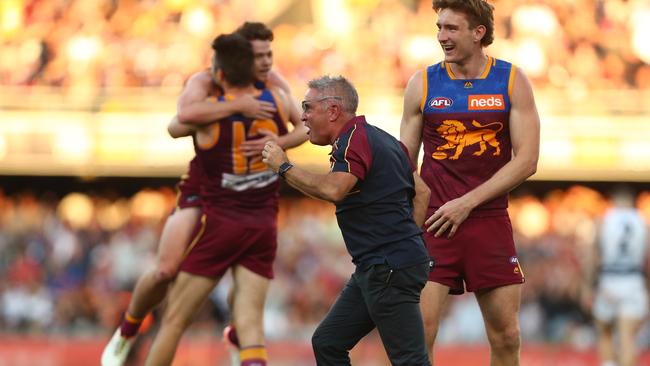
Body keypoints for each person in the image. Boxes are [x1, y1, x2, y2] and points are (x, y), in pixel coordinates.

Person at [101, 22, 307, 366]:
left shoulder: (275, 87)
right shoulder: (208, 83)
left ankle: (236, 332)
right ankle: (127, 330)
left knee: (181, 318)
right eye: (259, 56)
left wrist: (276, 143)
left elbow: (178, 126)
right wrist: (237, 105)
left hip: (227, 210)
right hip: (215, 195)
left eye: (270, 54)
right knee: (165, 271)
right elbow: (179, 121)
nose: (267, 62)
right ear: (241, 57)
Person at [399, 0, 540, 364]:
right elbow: (404, 163)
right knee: (420, 333)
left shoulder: (511, 79)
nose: (441, 37)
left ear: (478, 33)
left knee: (507, 336)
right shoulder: (423, 82)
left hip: (488, 222)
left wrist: (467, 202)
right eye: (439, 28)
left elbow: (527, 161)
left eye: (451, 29)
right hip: (434, 224)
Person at [262, 75, 432, 366]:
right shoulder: (384, 140)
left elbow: (334, 189)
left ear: (332, 111)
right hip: (383, 264)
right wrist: (407, 243)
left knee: (409, 361)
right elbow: (422, 192)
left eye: (307, 107)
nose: (302, 116)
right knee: (328, 343)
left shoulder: (354, 139)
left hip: (388, 265)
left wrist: (284, 167)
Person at [587, 186, 648, 366]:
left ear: (614, 201)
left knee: (604, 330)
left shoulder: (604, 220)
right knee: (627, 338)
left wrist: (588, 285)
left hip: (609, 279)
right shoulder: (642, 222)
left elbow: (591, 255)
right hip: (633, 279)